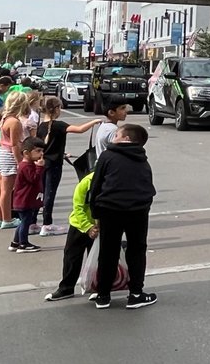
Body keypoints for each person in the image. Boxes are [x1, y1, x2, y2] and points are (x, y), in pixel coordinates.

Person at [88, 123, 157, 309]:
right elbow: (147, 184)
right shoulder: (142, 158)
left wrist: (95, 211)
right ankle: (136, 293)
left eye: (117, 135)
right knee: (137, 249)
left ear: (126, 139)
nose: (114, 138)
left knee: (108, 251)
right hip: (138, 209)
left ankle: (103, 295)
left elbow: (96, 185)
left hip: (110, 208)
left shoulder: (107, 156)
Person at [36, 96, 100, 236]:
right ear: (56, 109)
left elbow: (47, 146)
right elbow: (79, 129)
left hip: (44, 162)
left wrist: (62, 153)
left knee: (42, 192)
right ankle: (47, 224)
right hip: (54, 164)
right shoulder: (58, 125)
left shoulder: (41, 125)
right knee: (50, 194)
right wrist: (94, 121)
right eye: (59, 107)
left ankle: (34, 221)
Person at [44, 168, 99, 301]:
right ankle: (66, 288)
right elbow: (78, 207)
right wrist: (88, 227)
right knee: (72, 257)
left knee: (98, 259)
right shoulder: (86, 183)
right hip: (79, 225)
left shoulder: (111, 183)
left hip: (99, 226)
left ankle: (98, 288)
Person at [0, 91, 30, 229]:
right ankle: (7, 219)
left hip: (2, 152)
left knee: (0, 188)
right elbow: (15, 144)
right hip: (9, 155)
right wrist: (20, 162)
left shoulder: (4, 118)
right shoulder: (15, 122)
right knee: (7, 190)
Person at [10, 136, 46, 253]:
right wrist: (39, 167)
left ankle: (16, 242)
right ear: (26, 153)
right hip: (24, 200)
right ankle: (23, 244)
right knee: (26, 222)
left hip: (26, 199)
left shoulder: (27, 165)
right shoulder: (26, 166)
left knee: (23, 222)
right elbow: (34, 179)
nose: (41, 154)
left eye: (42, 151)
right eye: (38, 151)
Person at [93, 99, 130, 167]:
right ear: (111, 113)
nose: (126, 111)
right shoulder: (113, 130)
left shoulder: (104, 125)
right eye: (122, 108)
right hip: (110, 167)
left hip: (102, 165)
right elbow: (119, 152)